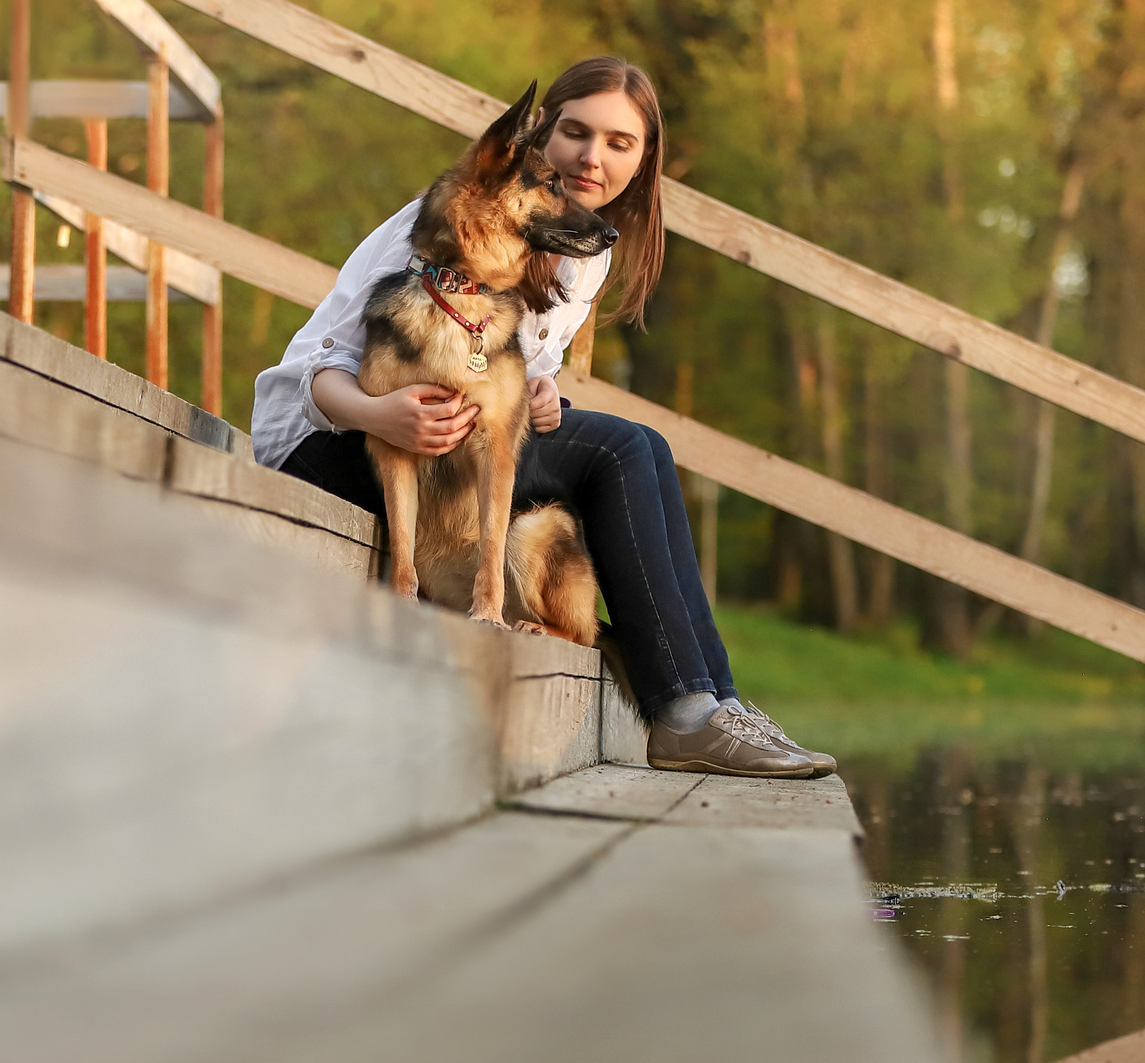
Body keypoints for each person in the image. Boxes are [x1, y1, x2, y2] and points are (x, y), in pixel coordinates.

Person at [248, 55, 832, 779]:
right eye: (577, 133)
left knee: (640, 445)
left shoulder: (576, 249)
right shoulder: (450, 220)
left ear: (645, 159)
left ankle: (716, 697)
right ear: (539, 139)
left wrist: (543, 390)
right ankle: (686, 709)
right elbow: (313, 365)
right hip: (333, 444)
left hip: (453, 451)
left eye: (620, 142)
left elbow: (511, 363)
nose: (594, 156)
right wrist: (377, 412)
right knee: (622, 449)